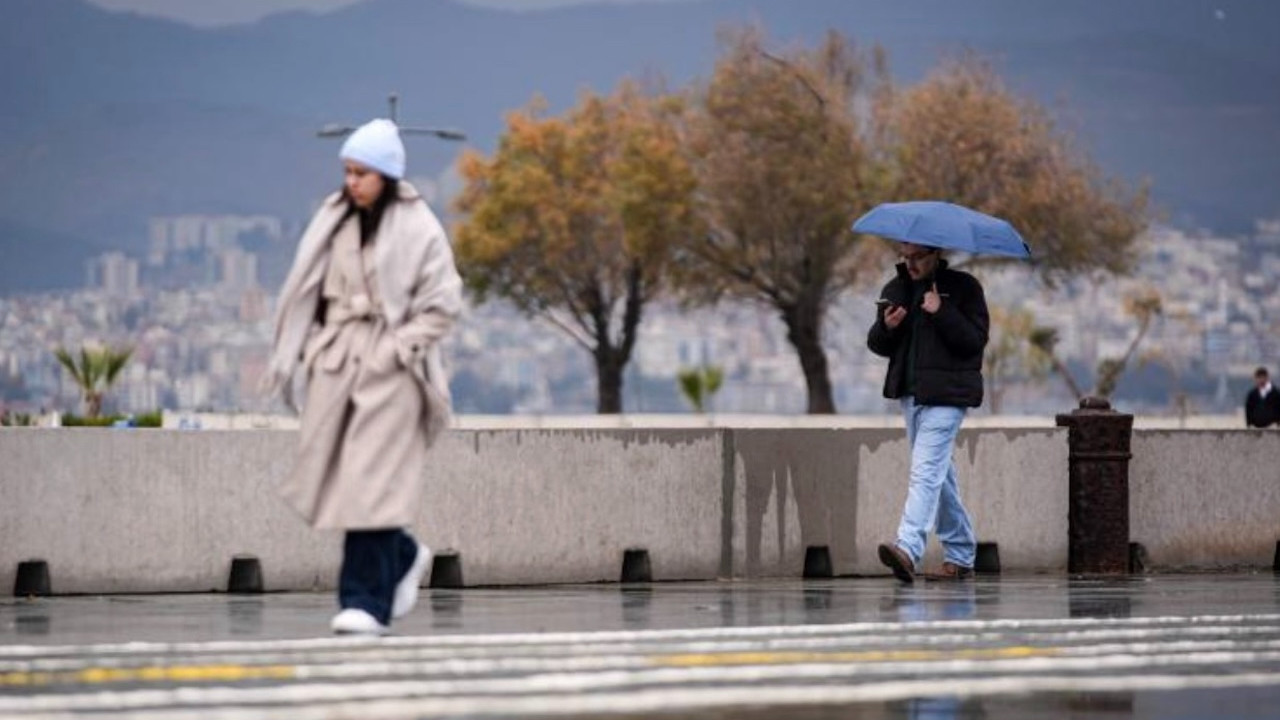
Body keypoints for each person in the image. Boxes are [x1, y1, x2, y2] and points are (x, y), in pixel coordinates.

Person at [262, 118, 463, 635]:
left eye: (363, 173)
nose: (352, 182)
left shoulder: (419, 228)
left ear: (387, 176)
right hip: (337, 366)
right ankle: (403, 553)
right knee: (346, 482)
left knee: (370, 487)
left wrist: (397, 349)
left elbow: (443, 302)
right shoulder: (333, 220)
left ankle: (364, 602)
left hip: (392, 373)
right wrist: (310, 348)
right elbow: (306, 288)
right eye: (348, 172)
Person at [866, 243, 989, 583]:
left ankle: (908, 547)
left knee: (924, 471)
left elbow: (974, 342)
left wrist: (942, 311)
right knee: (938, 475)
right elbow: (877, 343)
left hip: (948, 397)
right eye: (905, 257)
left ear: (935, 253)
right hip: (910, 395)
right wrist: (887, 327)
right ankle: (962, 552)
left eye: (918, 257)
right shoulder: (896, 290)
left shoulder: (964, 288)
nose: (911, 264)